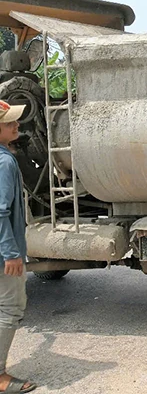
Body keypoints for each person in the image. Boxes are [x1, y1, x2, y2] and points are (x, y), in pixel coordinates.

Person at [0, 100, 35, 393]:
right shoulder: (4, 162)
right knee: (10, 308)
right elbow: (0, 211)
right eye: (9, 121)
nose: (16, 125)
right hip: (2, 251)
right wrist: (11, 253)